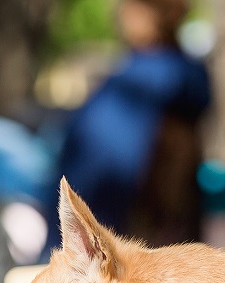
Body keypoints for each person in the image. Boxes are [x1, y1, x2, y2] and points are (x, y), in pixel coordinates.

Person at [44, 0, 211, 254]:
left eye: (133, 6)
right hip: (66, 186)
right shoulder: (137, 67)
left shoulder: (170, 75)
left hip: (95, 208)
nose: (120, 12)